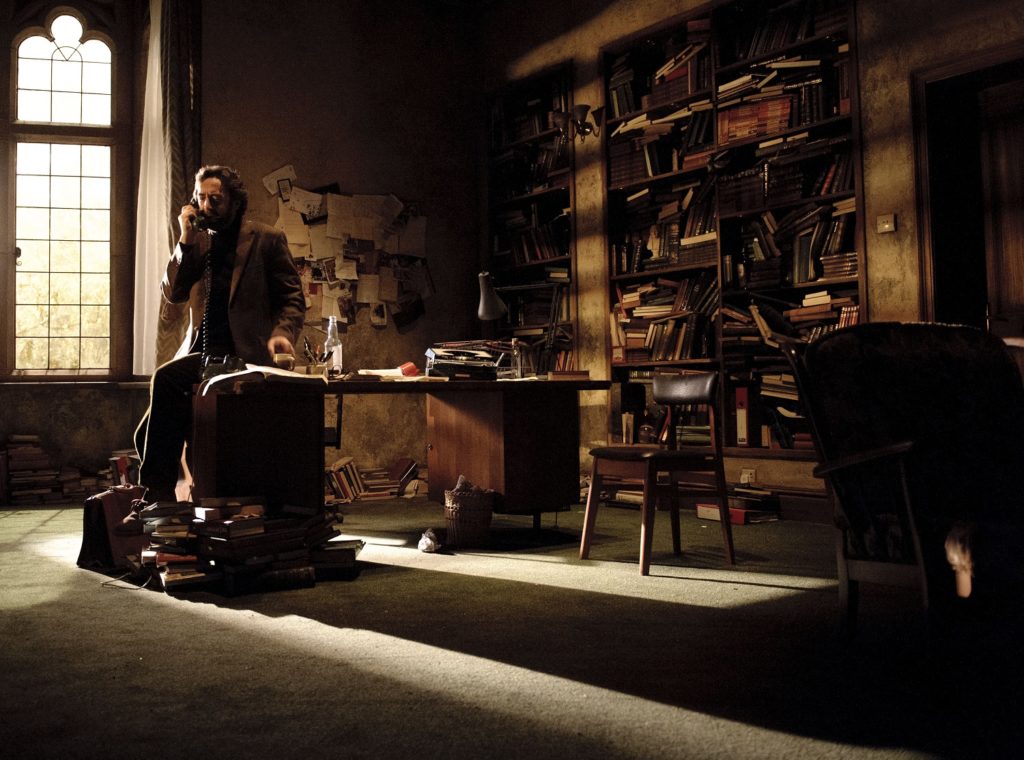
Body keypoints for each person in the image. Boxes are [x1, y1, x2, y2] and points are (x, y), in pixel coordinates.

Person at [134, 165, 306, 502]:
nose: (207, 206)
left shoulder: (266, 239)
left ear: (235, 202)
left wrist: (282, 333)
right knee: (146, 434)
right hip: (203, 353)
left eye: (216, 199)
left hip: (244, 354)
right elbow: (174, 293)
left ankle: (158, 499)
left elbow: (292, 298)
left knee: (165, 380)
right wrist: (184, 239)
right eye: (200, 198)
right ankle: (175, 501)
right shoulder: (197, 242)